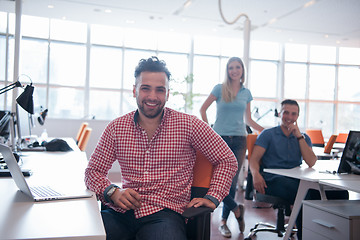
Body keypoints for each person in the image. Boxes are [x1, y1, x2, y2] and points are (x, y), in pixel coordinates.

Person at [84, 56, 238, 240]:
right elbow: (93, 171)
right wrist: (112, 192)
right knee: (85, 234)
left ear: (167, 94)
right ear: (135, 90)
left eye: (160, 90)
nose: (152, 96)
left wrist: (213, 197)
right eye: (145, 88)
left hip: (165, 215)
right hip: (122, 212)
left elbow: (227, 160)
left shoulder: (188, 125)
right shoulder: (117, 128)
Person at [249, 99, 348, 240]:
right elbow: (254, 159)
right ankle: (305, 236)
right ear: (280, 114)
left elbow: (311, 162)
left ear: (297, 116)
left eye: (293, 114)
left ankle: (328, 233)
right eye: (286, 113)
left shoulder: (303, 137)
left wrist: (299, 137)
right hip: (272, 180)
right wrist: (255, 174)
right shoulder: (267, 134)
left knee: (340, 194)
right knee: (304, 195)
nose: (289, 117)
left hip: (296, 179)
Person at [200, 56, 264, 238]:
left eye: (237, 67)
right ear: (227, 71)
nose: (234, 70)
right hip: (219, 138)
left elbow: (249, 120)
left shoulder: (246, 93)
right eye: (231, 68)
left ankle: (223, 222)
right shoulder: (219, 89)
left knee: (232, 183)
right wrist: (208, 131)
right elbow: (203, 109)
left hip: (239, 140)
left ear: (242, 70)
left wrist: (267, 131)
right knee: (213, 180)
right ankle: (237, 209)